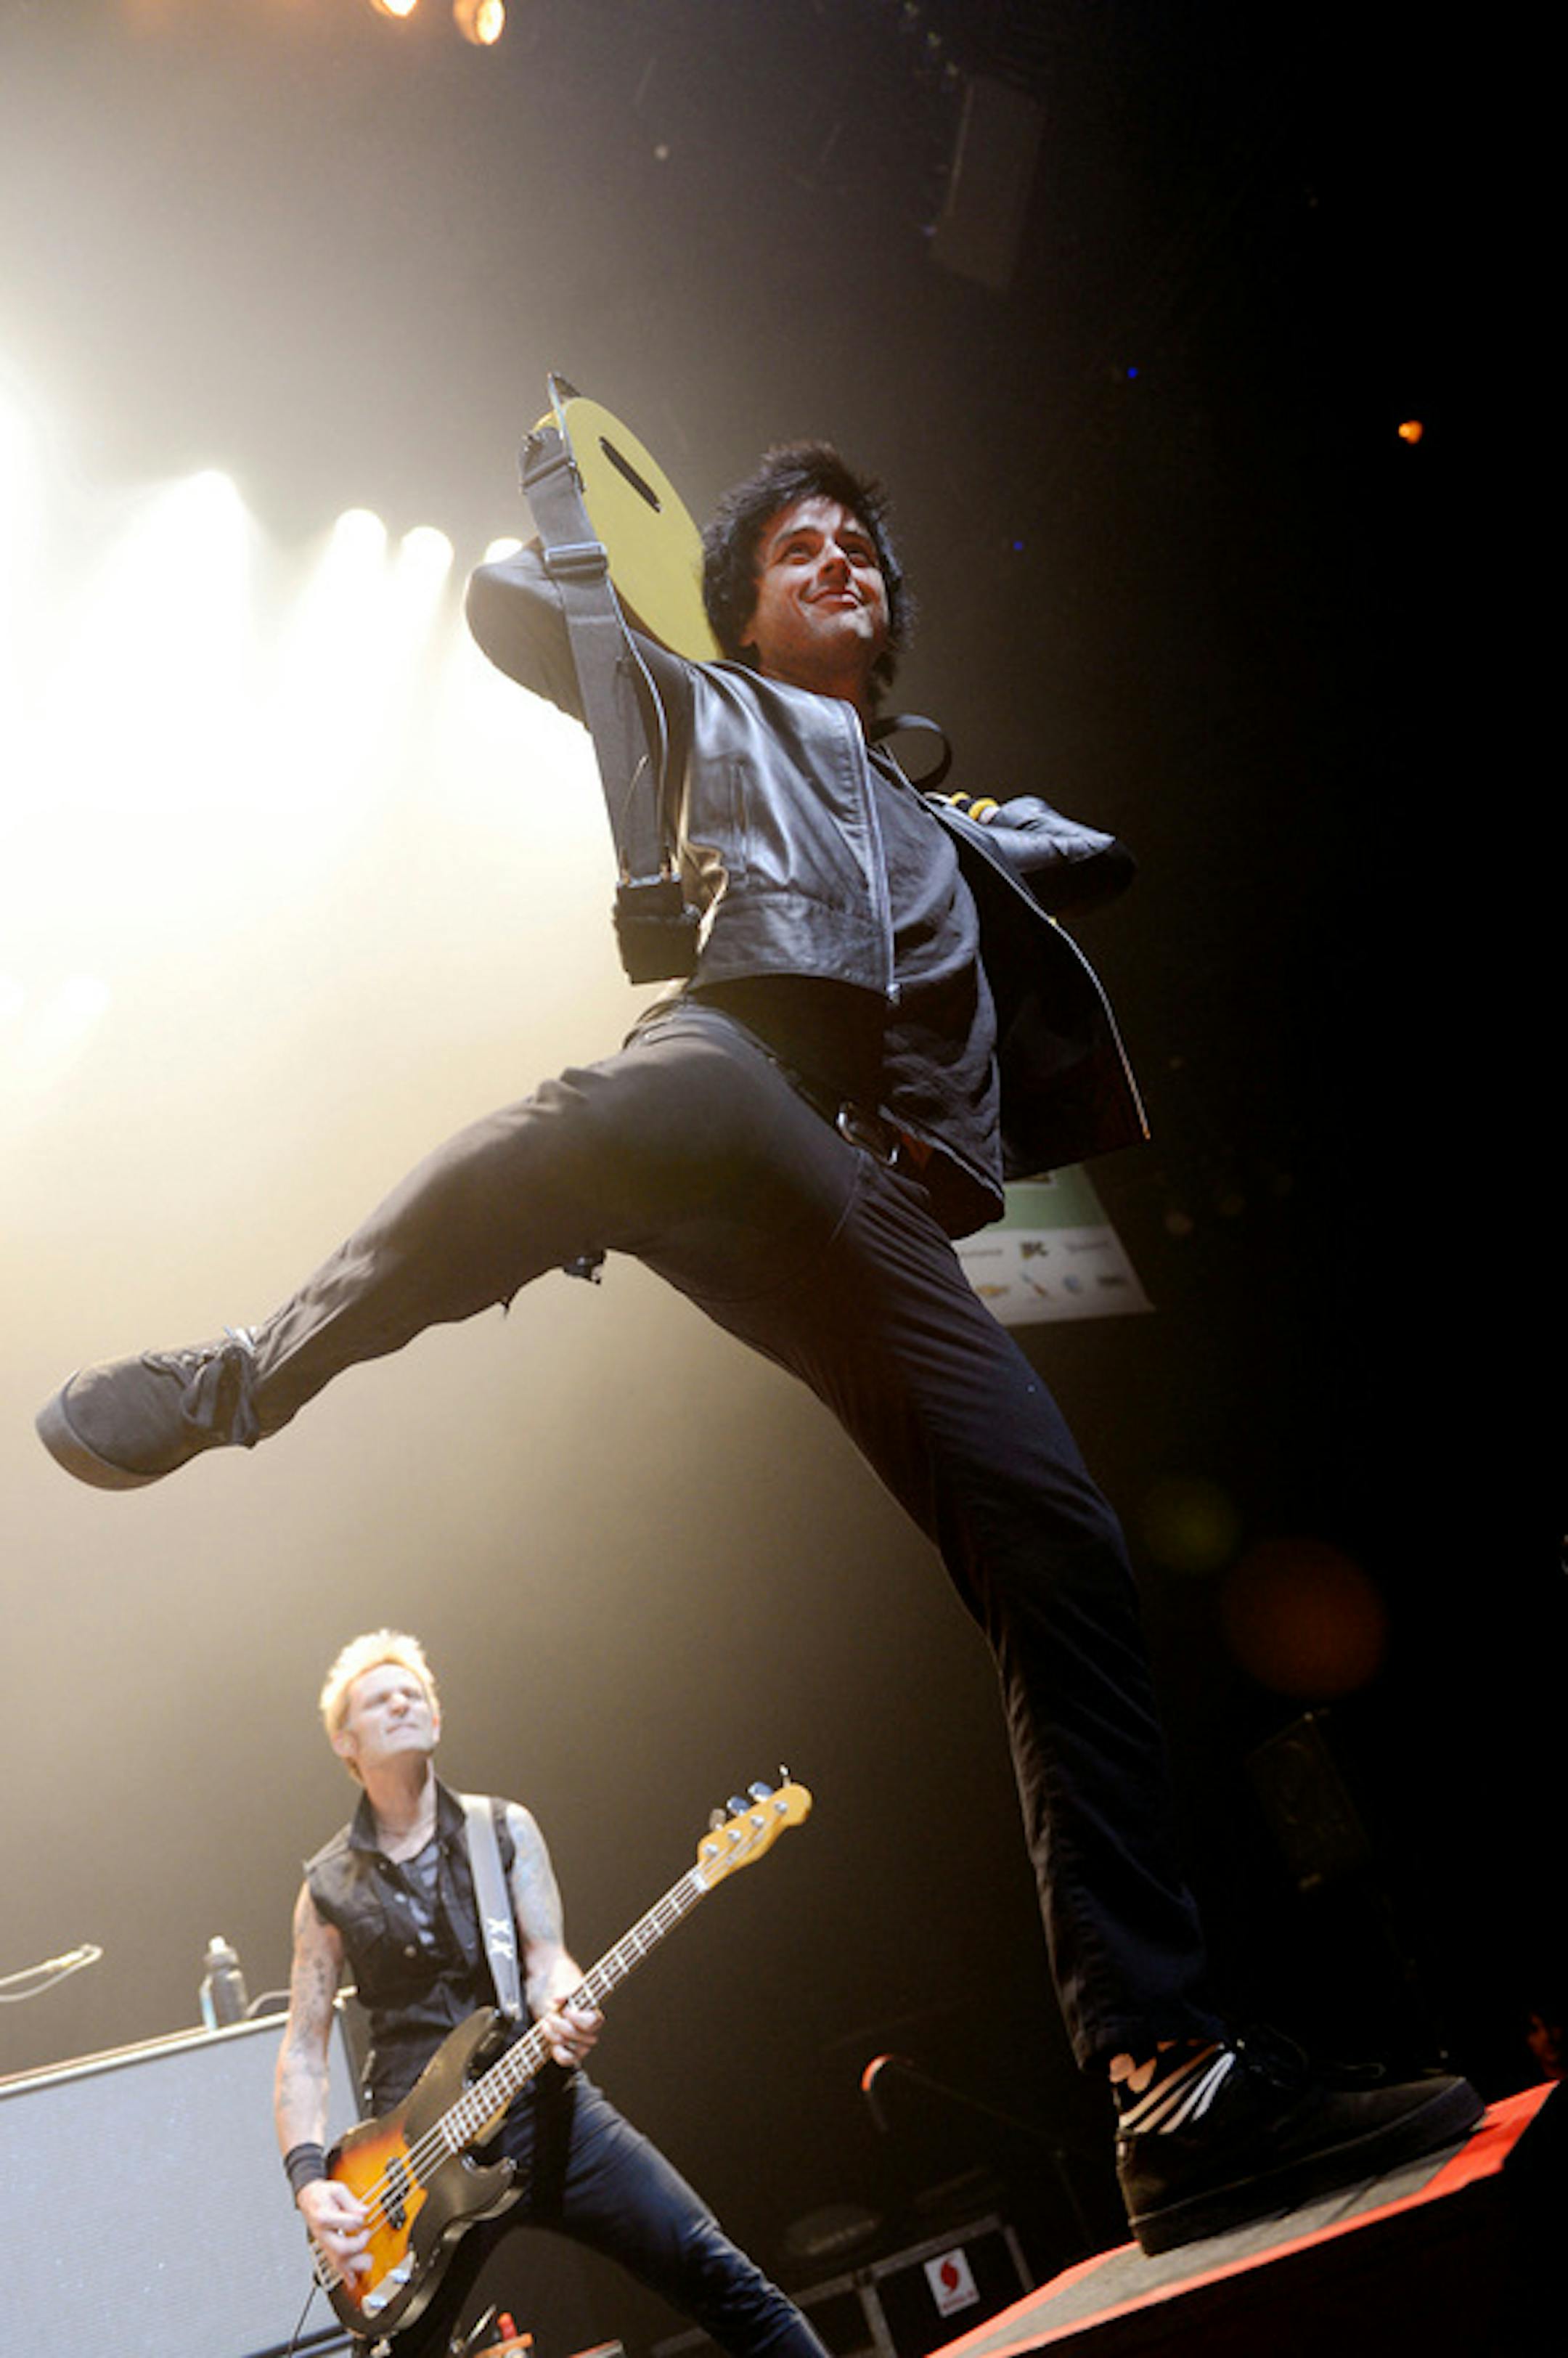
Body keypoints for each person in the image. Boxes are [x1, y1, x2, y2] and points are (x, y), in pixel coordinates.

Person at [39, 441, 1479, 2251]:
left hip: (868, 1215)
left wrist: (1008, 837)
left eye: (860, 549)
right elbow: (506, 607)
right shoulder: (698, 699)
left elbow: (1089, 860)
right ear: (728, 603)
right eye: (796, 548)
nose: (838, 562)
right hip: (737, 1080)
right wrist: (586, 529)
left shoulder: (955, 825)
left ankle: (1168, 2083)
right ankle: (246, 1373)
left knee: (1063, 1547)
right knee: (570, 1137)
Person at [277, 1629, 827, 2358]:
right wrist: (312, 2184)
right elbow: (304, 2052)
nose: (404, 1700)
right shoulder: (326, 1887)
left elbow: (546, 1960)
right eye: (380, 1697)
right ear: (347, 1741)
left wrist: (566, 2006)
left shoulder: (502, 1828)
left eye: (416, 1691)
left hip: (542, 2102)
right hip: (413, 2161)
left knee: (716, 2268)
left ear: (436, 1719)